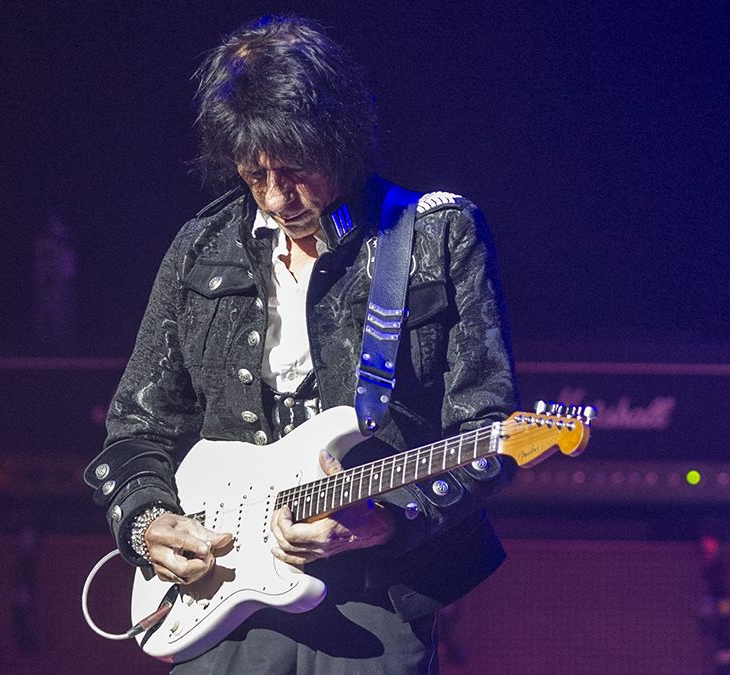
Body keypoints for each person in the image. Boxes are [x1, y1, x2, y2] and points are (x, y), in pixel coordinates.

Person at [84, 15, 519, 673]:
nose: (277, 196)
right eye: (254, 174)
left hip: (376, 598)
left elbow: (488, 432)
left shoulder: (434, 235)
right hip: (220, 598)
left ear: (340, 139)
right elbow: (135, 432)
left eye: (294, 170)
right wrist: (147, 522)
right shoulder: (200, 249)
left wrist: (391, 516)